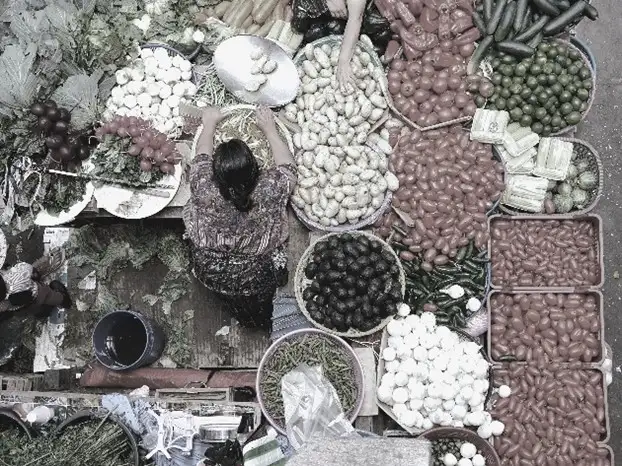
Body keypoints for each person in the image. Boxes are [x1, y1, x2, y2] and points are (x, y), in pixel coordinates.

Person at [183, 106, 297, 331]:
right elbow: (289, 169)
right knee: (268, 271)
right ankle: (261, 312)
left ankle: (236, 307)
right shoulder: (269, 188)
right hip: (255, 275)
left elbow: (201, 156)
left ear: (215, 174)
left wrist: (209, 124)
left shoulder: (204, 185)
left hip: (208, 269)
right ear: (256, 169)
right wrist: (270, 130)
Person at [289, 0, 390, 91]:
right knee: (301, 16)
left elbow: (355, 18)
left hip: (354, 8)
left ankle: (340, 30)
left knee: (379, 27)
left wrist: (343, 62)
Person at [0, 261, 72, 319]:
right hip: (37, 294)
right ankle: (64, 299)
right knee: (49, 296)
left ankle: (43, 312)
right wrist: (12, 269)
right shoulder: (15, 275)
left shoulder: (3, 304)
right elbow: (27, 267)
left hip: (24, 306)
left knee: (32, 311)